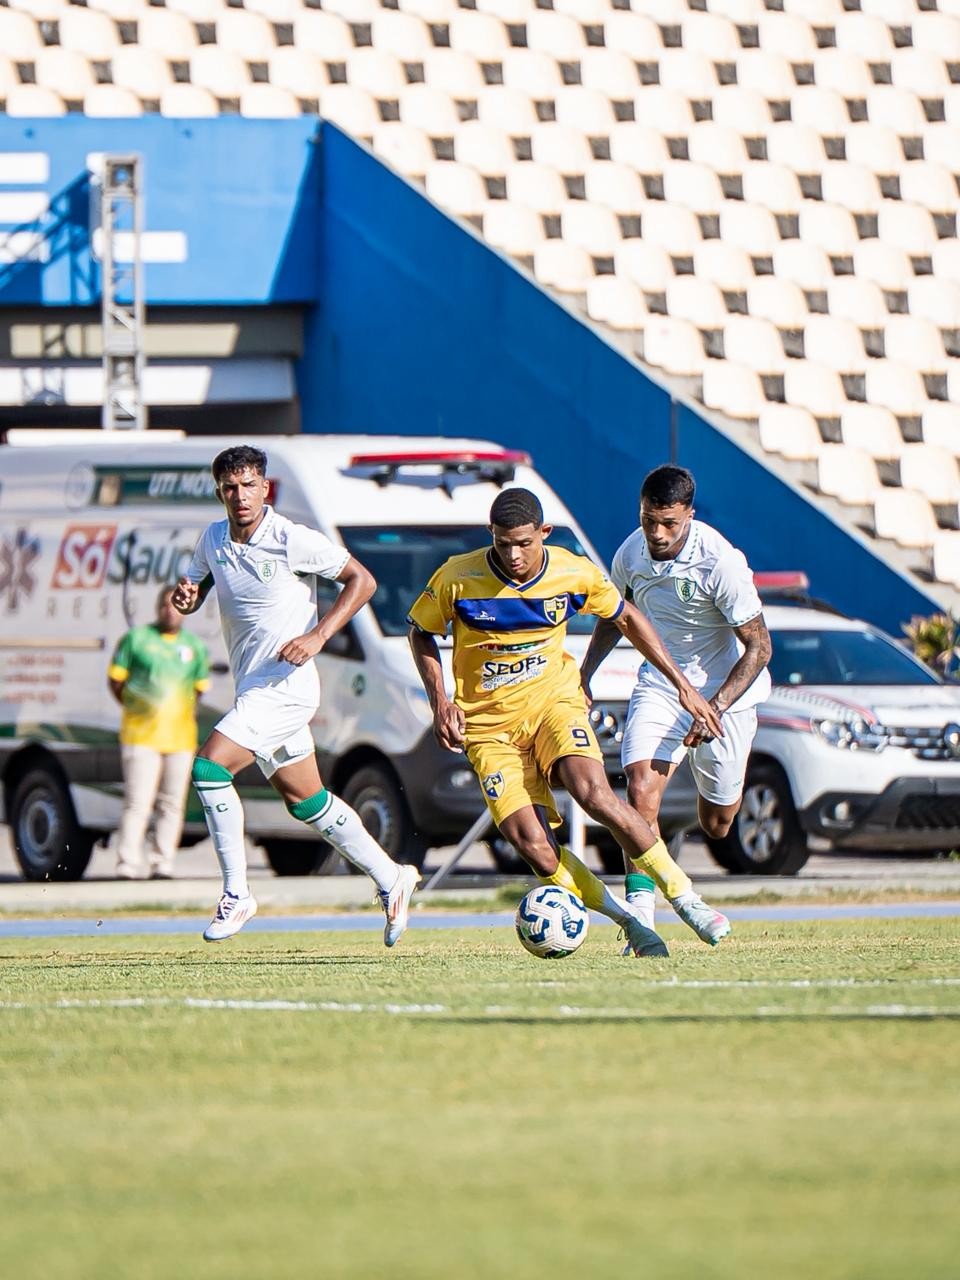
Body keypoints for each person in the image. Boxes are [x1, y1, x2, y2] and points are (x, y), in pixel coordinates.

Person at [407, 486, 730, 958]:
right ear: (490, 536)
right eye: (502, 543)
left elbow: (626, 617)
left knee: (593, 793)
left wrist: (681, 683)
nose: (514, 555)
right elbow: (420, 632)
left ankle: (687, 899)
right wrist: (441, 700)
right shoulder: (459, 578)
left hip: (552, 705)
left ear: (544, 533)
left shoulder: (572, 572)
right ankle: (632, 924)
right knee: (533, 845)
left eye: (524, 543)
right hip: (489, 729)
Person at [171, 445, 419, 944]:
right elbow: (195, 587)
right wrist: (187, 597)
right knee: (306, 800)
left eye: (249, 486)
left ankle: (237, 894)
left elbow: (361, 581)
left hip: (285, 687)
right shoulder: (212, 539)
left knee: (209, 768)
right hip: (253, 685)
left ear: (266, 488)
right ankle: (392, 877)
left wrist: (318, 636)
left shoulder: (289, 538)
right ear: (220, 492)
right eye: (230, 488)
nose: (240, 496)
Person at [581, 464, 772, 937]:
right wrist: (584, 674)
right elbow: (615, 617)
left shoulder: (719, 561)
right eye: (649, 520)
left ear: (689, 514)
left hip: (726, 696)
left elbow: (760, 647)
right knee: (640, 789)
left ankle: (705, 808)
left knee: (718, 823)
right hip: (662, 687)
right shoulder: (630, 554)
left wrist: (718, 707)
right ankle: (641, 921)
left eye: (669, 523)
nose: (658, 533)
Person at [108, 585, 210, 880]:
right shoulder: (137, 639)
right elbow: (116, 681)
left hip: (179, 739)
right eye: (165, 605)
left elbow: (198, 690)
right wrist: (137, 707)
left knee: (172, 804)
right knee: (138, 802)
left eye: (175, 606)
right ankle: (127, 863)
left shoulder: (194, 646)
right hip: (141, 736)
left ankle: (162, 862)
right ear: (157, 608)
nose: (170, 611)